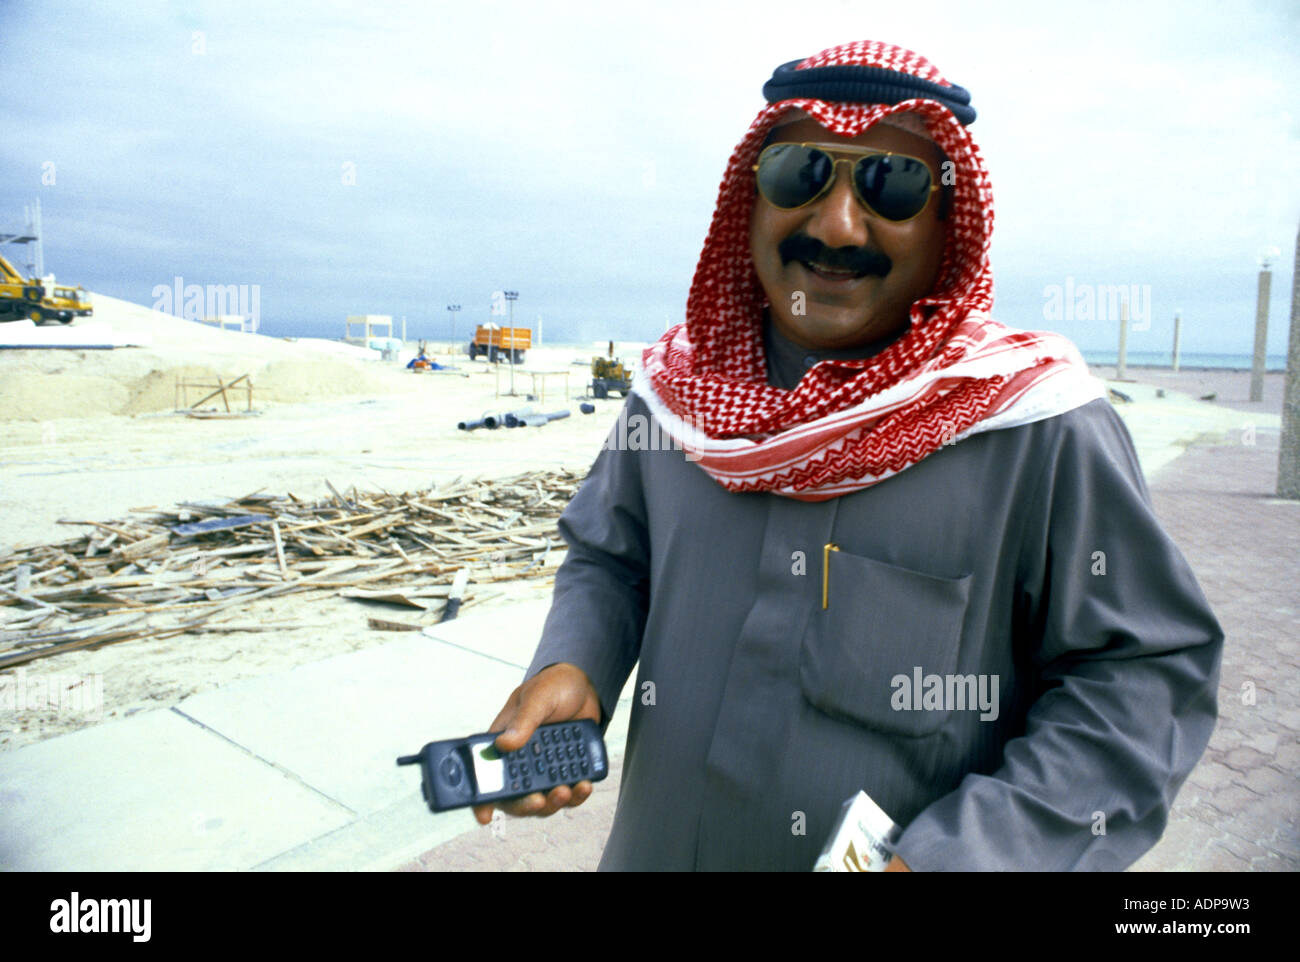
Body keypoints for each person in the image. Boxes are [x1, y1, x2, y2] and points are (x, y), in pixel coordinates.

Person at [472, 40, 1224, 871]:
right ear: (750, 199)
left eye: (890, 187)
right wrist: (576, 663)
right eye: (801, 175)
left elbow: (1141, 680)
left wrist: (967, 857)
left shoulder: (1036, 427)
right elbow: (611, 559)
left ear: (946, 223)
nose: (837, 226)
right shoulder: (673, 398)